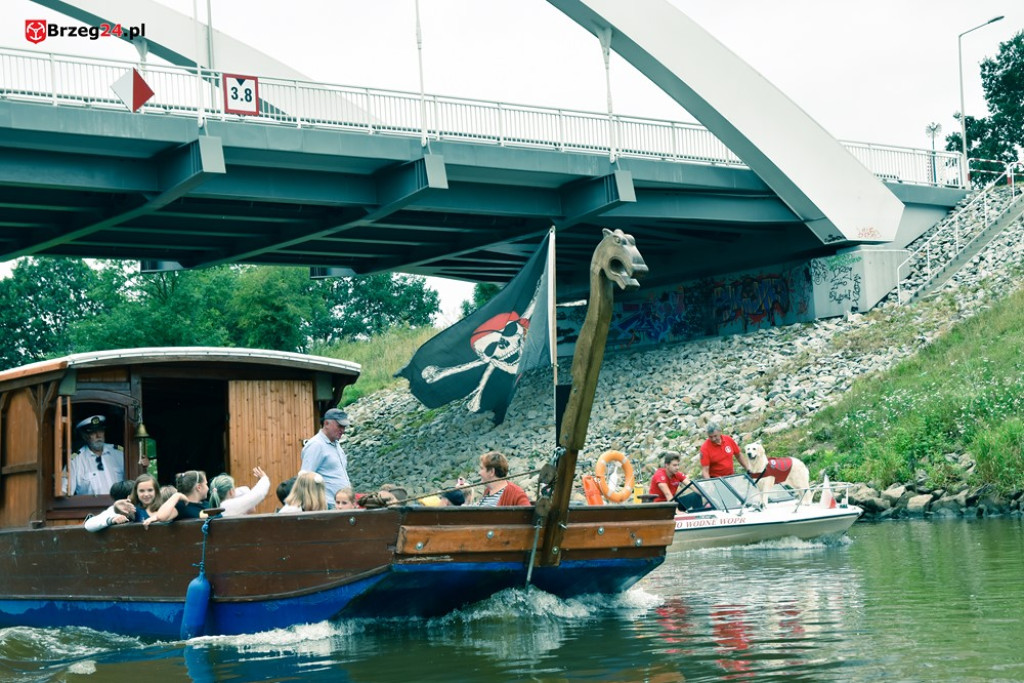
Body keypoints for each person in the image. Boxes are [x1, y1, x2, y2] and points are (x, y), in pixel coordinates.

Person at [300, 408, 351, 509]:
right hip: (327, 505)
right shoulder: (316, 445)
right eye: (340, 426)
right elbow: (305, 478)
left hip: (340, 504)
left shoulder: (336, 444)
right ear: (326, 423)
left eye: (344, 427)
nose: (343, 430)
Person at [66, 415, 125, 495]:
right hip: (92, 507)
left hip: (120, 506)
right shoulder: (75, 461)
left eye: (100, 430)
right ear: (84, 436)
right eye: (93, 432)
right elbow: (65, 493)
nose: (98, 435)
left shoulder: (119, 453)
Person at [143, 470, 209, 525]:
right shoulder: (181, 506)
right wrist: (176, 495)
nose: (208, 488)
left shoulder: (207, 504)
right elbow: (161, 517)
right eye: (206, 484)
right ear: (199, 487)